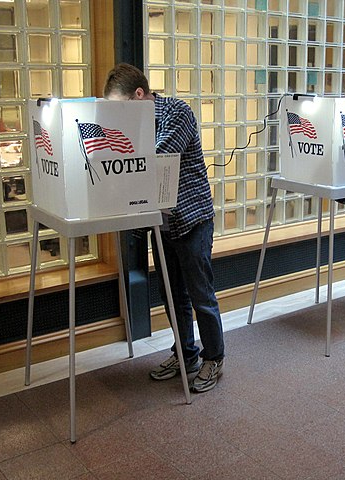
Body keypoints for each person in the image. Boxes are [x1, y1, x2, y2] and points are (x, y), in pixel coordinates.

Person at [104, 63, 225, 393]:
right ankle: (186, 354)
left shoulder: (177, 113)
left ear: (140, 95)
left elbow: (156, 157)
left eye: (122, 107)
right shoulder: (135, 123)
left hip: (192, 219)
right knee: (172, 295)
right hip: (162, 224)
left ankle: (214, 357)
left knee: (200, 294)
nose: (120, 117)